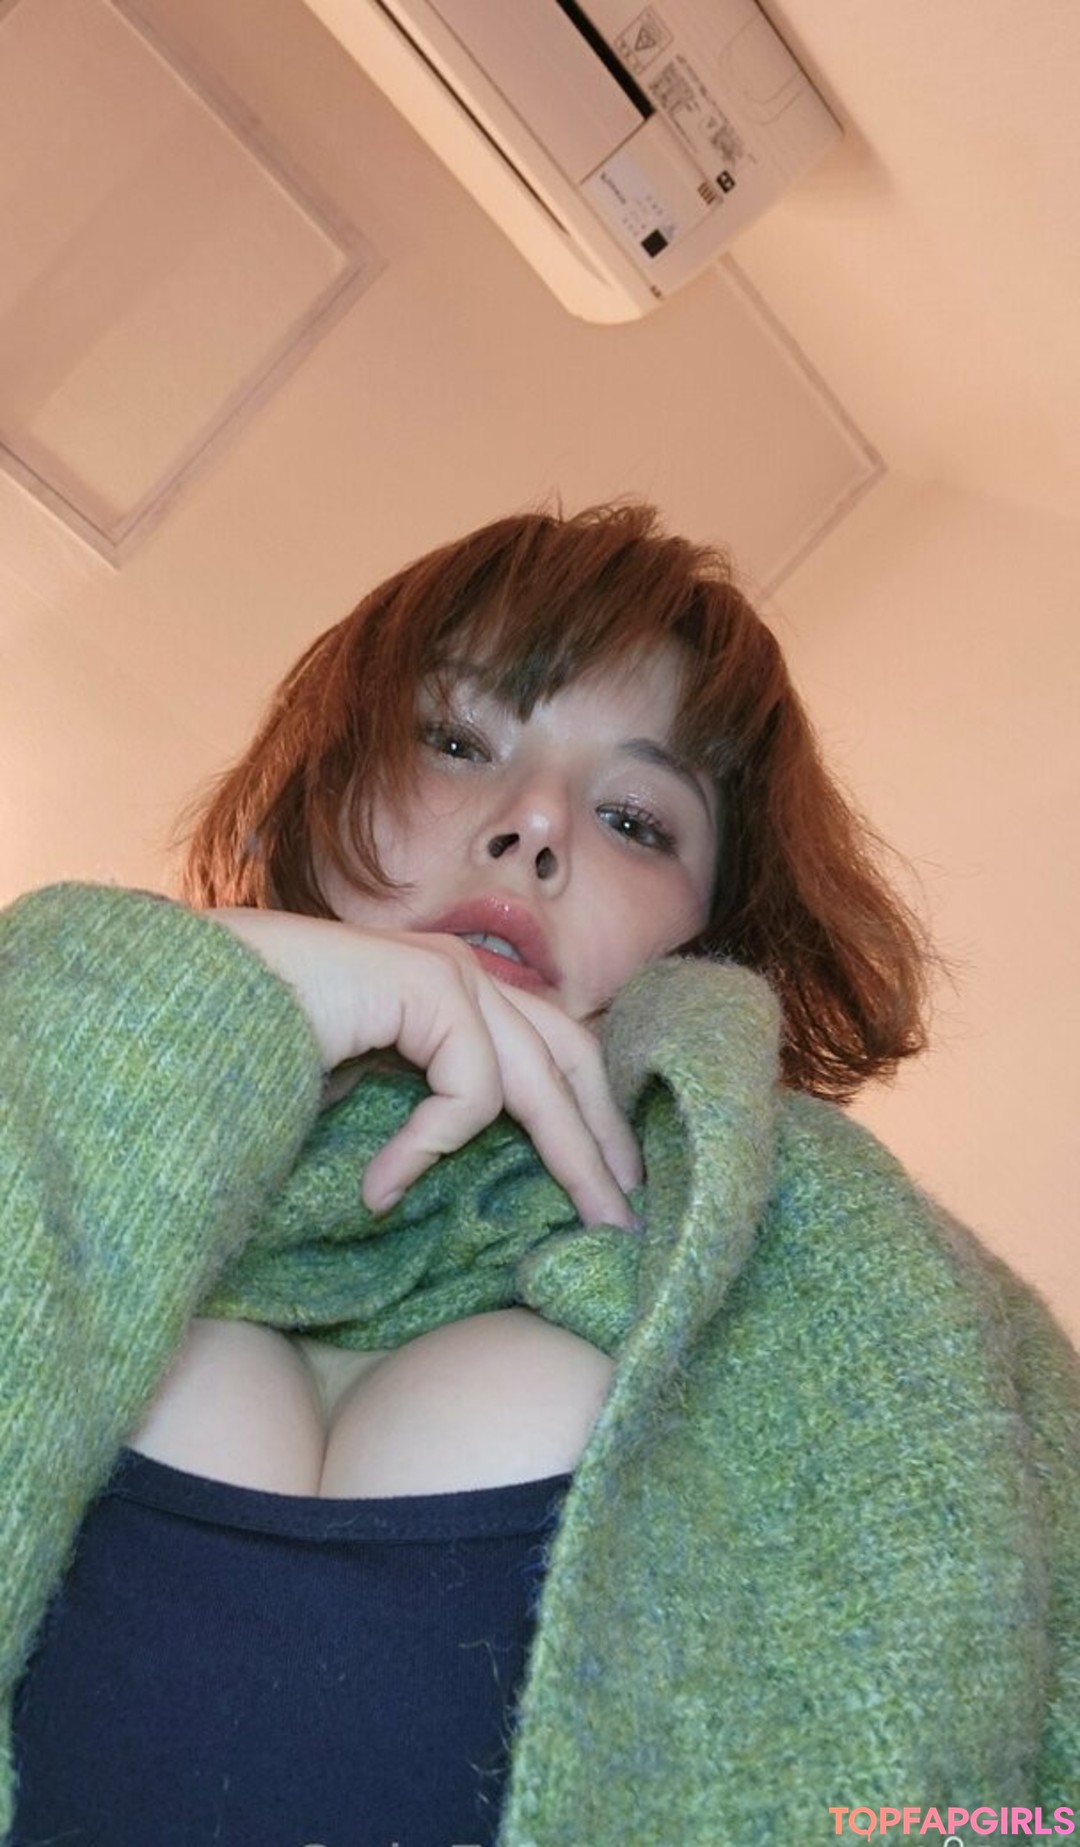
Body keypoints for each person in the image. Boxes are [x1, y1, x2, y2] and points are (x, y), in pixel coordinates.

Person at [2, 504, 1077, 1847]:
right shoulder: (50, 1066)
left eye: (634, 819)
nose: (534, 827)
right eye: (456, 742)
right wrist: (197, 994)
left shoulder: (851, 1259)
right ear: (321, 785)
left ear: (712, 934)